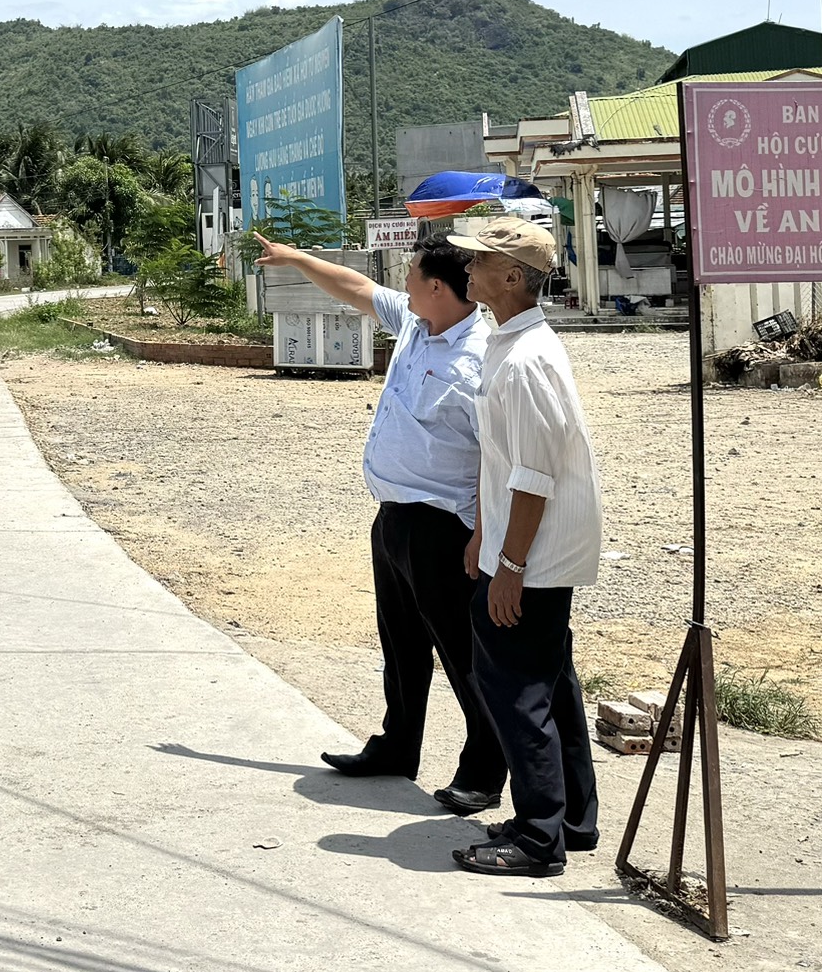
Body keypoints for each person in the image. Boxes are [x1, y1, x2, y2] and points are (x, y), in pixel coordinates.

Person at [256, 233, 503, 815]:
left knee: (462, 653)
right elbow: (357, 288)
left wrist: (483, 535)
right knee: (401, 645)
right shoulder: (417, 323)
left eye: (412, 274)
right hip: (394, 516)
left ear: (437, 287)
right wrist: (296, 258)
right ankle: (398, 745)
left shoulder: (479, 359)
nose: (403, 282)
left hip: (445, 527)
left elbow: (496, 457)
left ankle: (485, 769)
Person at [446, 216, 604, 878]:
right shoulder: (509, 343)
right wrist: (485, 536)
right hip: (520, 547)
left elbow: (534, 476)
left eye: (479, 261)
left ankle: (539, 838)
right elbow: (504, 460)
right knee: (549, 683)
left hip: (533, 557)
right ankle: (571, 820)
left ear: (512, 277)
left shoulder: (527, 359)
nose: (468, 269)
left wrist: (508, 566)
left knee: (516, 691)